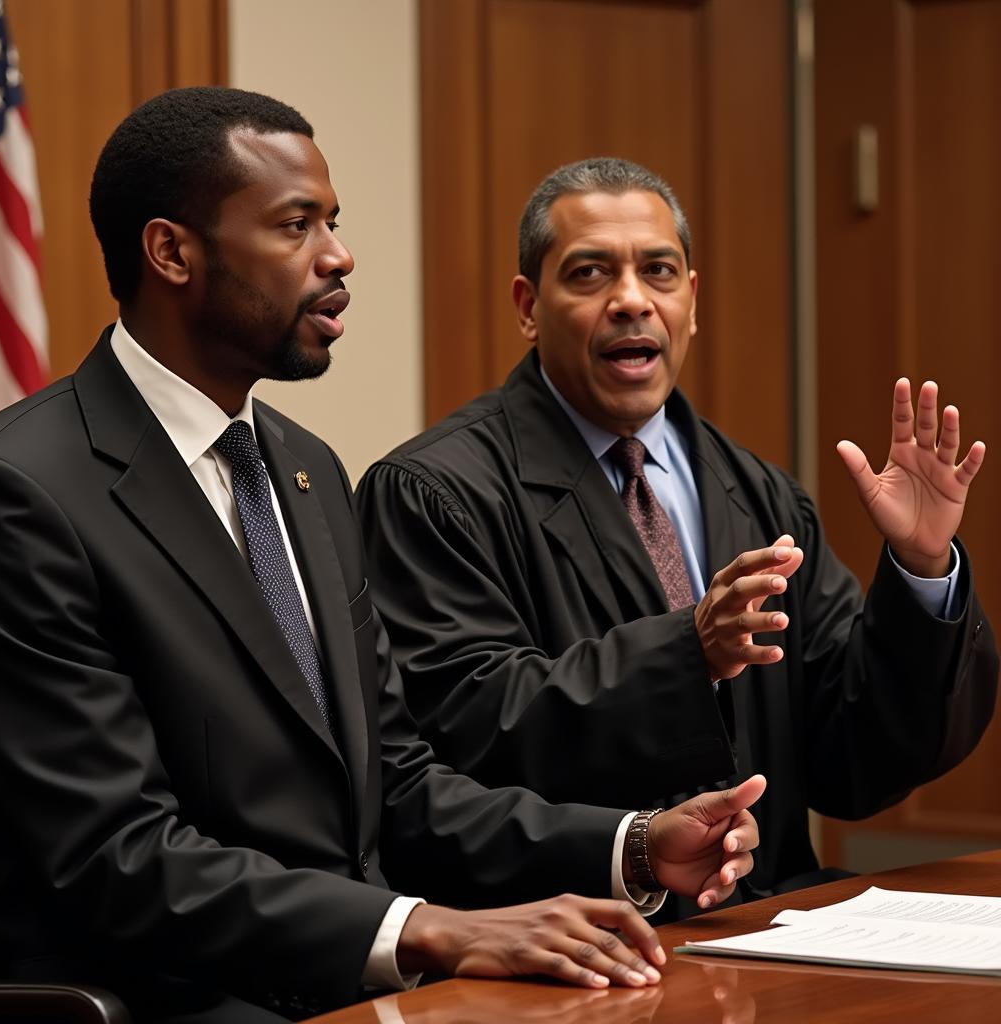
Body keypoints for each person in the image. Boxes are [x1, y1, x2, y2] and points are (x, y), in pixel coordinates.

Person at [0, 97, 766, 1023]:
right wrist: (428, 928)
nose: (338, 256)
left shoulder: (304, 469)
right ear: (172, 253)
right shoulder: (22, 491)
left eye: (334, 223)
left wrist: (634, 846)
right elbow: (118, 854)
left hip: (349, 990)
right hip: (169, 999)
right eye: (295, 224)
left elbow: (392, 783)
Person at [356, 157, 999, 918]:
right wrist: (687, 653)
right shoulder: (433, 494)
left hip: (769, 922)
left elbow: (851, 760)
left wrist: (921, 572)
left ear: (691, 301)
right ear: (529, 306)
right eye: (591, 273)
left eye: (658, 271)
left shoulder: (762, 494)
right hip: (573, 931)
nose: (632, 301)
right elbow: (466, 739)